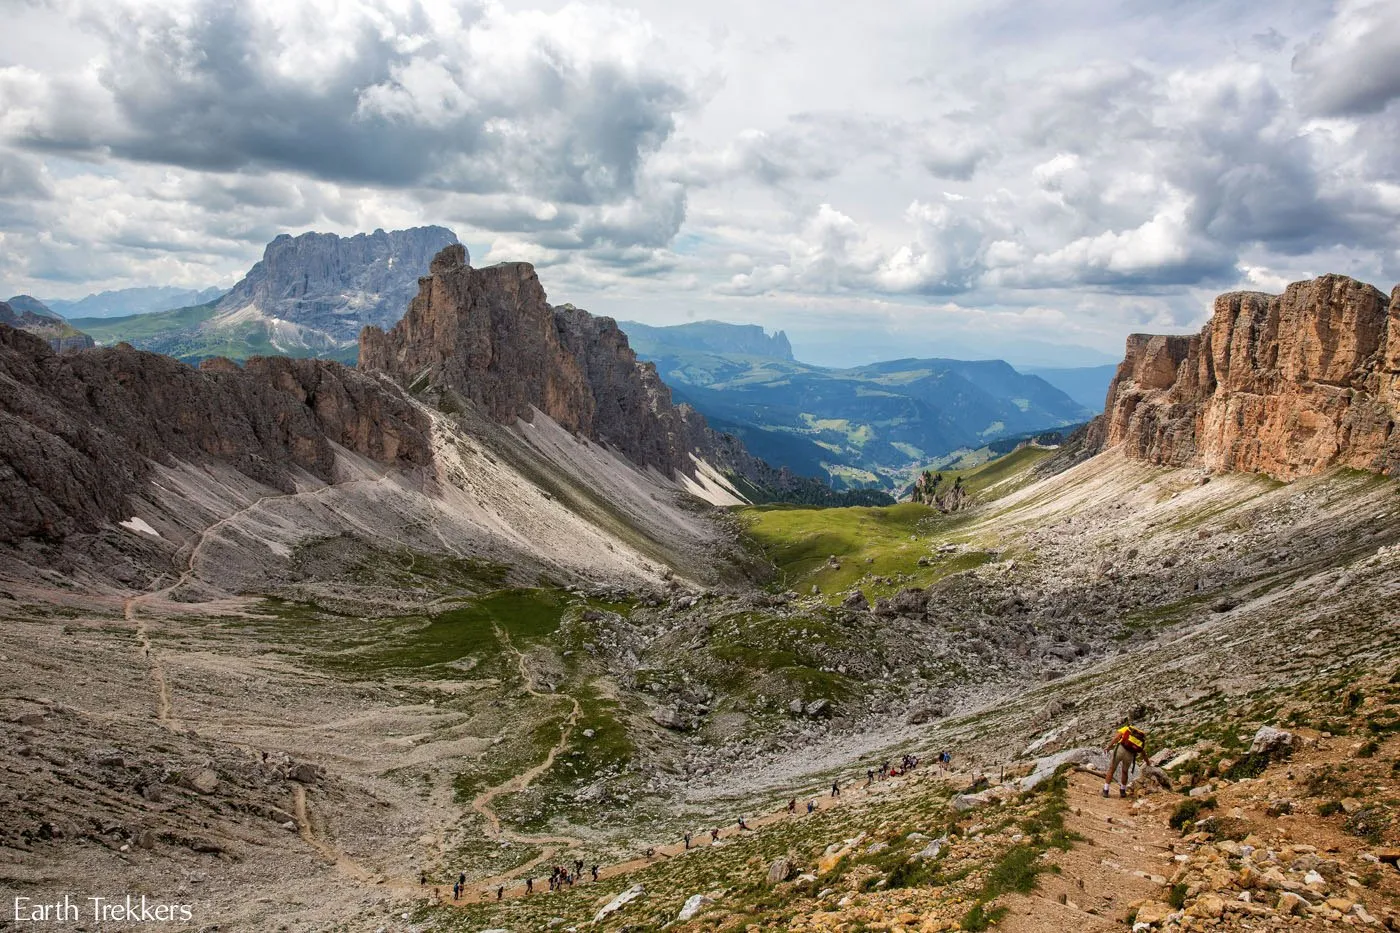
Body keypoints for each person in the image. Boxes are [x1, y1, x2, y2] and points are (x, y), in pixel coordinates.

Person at [1103, 721, 1148, 798]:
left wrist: (1108, 747)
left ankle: (1106, 790)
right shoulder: (1140, 736)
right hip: (1130, 754)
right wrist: (1148, 762)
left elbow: (1116, 738)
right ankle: (1123, 791)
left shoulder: (1127, 729)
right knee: (1125, 772)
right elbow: (1142, 752)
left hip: (1120, 749)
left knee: (1111, 769)